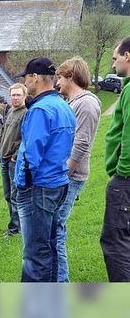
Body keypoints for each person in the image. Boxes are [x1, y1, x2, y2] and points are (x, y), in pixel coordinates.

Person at [15, 57, 76, 282]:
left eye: (26, 77)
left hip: (39, 187)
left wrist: (22, 184)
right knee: (50, 246)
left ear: (37, 78)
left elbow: (32, 154)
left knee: (34, 253)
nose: (25, 82)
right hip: (58, 182)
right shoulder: (63, 105)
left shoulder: (40, 109)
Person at [54, 57, 101, 282]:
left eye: (60, 78)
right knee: (53, 228)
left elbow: (82, 142)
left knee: (56, 229)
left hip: (70, 177)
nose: (57, 83)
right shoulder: (71, 102)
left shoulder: (87, 103)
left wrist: (65, 174)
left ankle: (61, 282)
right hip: (64, 175)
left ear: (71, 76)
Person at [100, 37, 130, 281]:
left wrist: (122, 172)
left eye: (115, 57)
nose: (113, 65)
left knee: (116, 243)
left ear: (127, 56)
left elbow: (128, 133)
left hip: (126, 180)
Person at [0, 83, 28, 237]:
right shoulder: (10, 111)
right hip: (3, 158)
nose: (15, 97)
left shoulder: (26, 113)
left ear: (24, 96)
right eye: (13, 95)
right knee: (7, 194)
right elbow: (4, 132)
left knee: (15, 195)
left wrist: (15, 157)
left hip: (13, 160)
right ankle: (15, 224)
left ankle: (15, 228)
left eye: (18, 95)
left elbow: (26, 138)